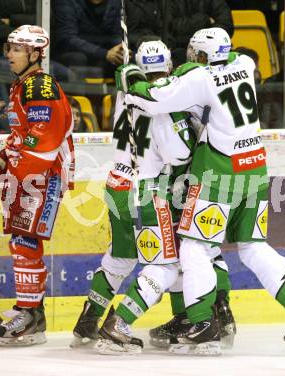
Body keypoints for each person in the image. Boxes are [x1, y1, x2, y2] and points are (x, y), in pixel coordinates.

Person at [121, 27, 285, 354]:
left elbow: (155, 98)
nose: (191, 59)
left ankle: (204, 324)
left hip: (220, 172)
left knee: (193, 248)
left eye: (195, 55)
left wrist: (132, 83)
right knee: (252, 246)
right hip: (255, 167)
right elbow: (225, 67)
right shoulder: (244, 64)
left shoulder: (200, 78)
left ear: (203, 56)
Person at [71, 39, 236, 354]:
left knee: (120, 257)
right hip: (149, 192)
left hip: (118, 182)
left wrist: (129, 68)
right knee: (169, 264)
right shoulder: (164, 103)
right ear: (170, 67)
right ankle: (120, 324)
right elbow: (179, 153)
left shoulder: (126, 91)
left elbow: (126, 74)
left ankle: (88, 320)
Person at [0, 25, 75, 347]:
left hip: (43, 174)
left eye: (17, 49)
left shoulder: (41, 85)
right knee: (23, 240)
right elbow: (24, 135)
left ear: (35, 54)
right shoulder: (24, 85)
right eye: (9, 48)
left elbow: (44, 135)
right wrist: (3, 159)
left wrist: (15, 167)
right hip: (32, 173)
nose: (9, 55)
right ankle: (31, 313)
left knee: (25, 241)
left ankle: (30, 316)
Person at [53, 0, 124, 77]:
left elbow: (116, 34)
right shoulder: (66, 2)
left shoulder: (115, 2)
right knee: (78, 59)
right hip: (72, 54)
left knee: (125, 59)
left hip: (105, 54)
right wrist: (104, 54)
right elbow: (68, 38)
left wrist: (120, 50)